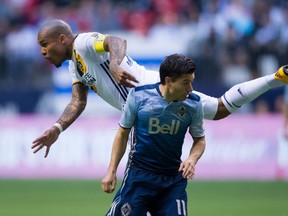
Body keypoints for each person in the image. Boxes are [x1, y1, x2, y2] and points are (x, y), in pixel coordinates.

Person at [32, 19, 288, 157]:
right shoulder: (74, 66)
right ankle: (276, 77)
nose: (42, 51)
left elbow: (116, 40)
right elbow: (78, 102)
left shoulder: (84, 43)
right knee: (218, 109)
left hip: (153, 91)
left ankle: (276, 77)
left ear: (62, 39)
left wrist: (114, 65)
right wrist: (57, 128)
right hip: (143, 108)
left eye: (45, 44)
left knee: (219, 109)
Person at [101, 53, 206, 215]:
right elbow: (122, 133)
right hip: (140, 175)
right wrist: (111, 171)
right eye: (186, 83)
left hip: (172, 180)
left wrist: (192, 159)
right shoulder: (138, 96)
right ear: (168, 81)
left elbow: (200, 139)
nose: (190, 89)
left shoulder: (194, 104)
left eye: (191, 82)